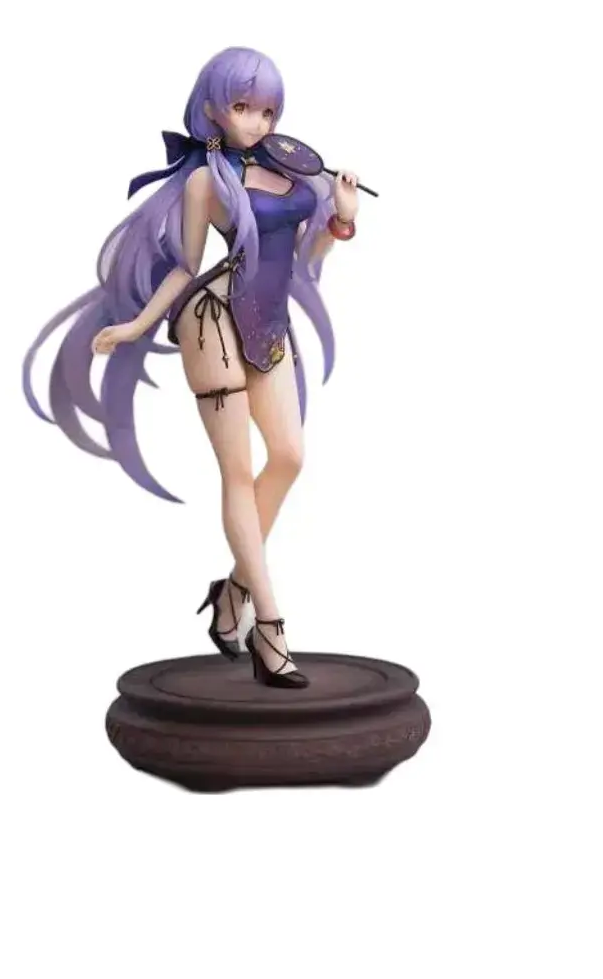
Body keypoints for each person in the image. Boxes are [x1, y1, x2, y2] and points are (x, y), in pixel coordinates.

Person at [23, 47, 362, 688]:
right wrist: (136, 326)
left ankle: (232, 590)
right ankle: (268, 627)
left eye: (268, 110)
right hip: (214, 324)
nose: (257, 122)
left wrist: (341, 217)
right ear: (212, 109)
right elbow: (185, 267)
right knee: (237, 472)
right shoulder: (207, 182)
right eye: (243, 107)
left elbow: (305, 260)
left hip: (269, 325)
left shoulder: (289, 174)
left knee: (289, 456)